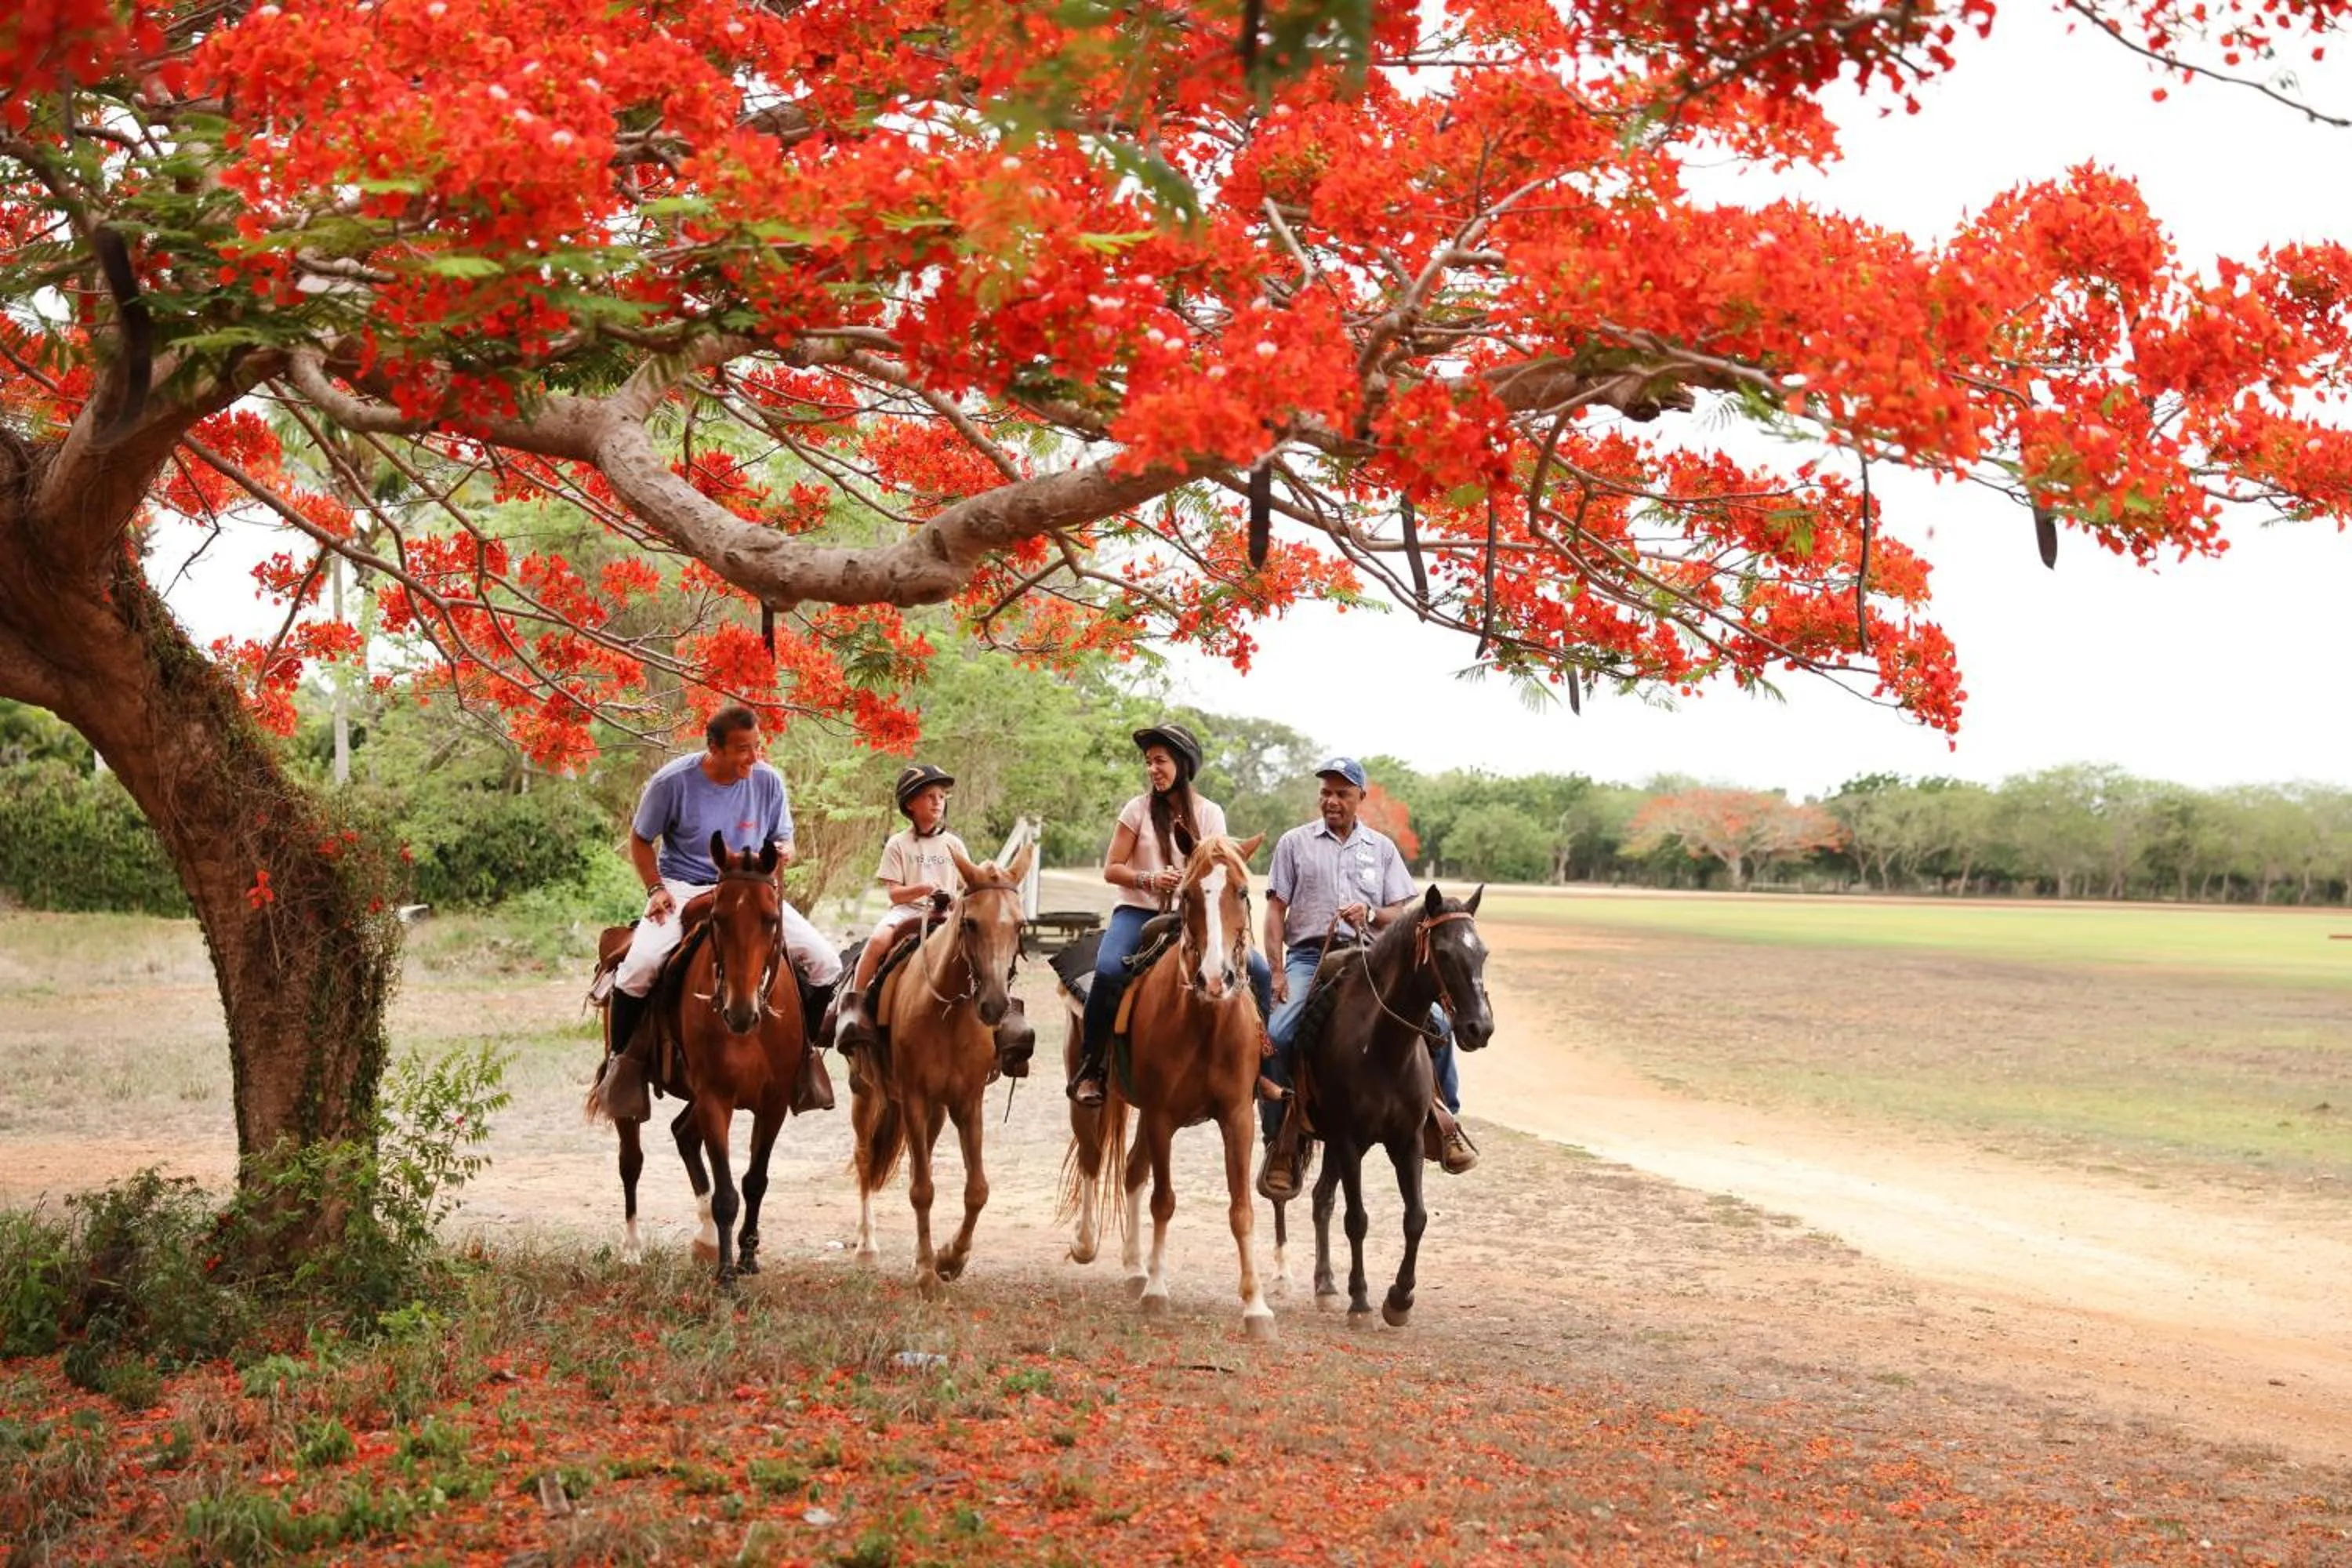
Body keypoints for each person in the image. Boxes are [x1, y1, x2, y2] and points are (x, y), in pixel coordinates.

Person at [596, 706, 842, 1121]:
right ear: (714, 747)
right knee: (637, 967)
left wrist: (786, 853)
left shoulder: (768, 781)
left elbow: (785, 839)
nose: (754, 757)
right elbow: (640, 840)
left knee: (826, 963)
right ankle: (623, 1065)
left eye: (757, 747)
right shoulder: (673, 783)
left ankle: (804, 1058)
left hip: (751, 885)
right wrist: (655, 889)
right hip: (685, 886)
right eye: (743, 749)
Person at [1258, 756, 1476, 1196]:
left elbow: (1402, 911)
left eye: (1341, 793)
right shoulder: (1294, 844)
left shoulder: (1382, 849)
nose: (1331, 800)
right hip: (1309, 957)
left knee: (1437, 1024)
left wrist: (1372, 912)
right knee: (1278, 1032)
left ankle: (1445, 1120)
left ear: (1361, 798)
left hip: (1372, 959)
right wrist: (1278, 972)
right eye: (1325, 792)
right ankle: (1281, 1140)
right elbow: (1276, 910)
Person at [1068, 720, 1274, 1106]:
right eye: (1148, 762)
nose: (1152, 769)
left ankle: (1263, 1069)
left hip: (1192, 918)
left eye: (1160, 760)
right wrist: (1149, 879)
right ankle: (1092, 1069)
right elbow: (1112, 867)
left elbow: (1219, 870)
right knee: (1110, 971)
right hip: (1136, 912)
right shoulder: (1137, 809)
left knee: (1260, 972)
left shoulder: (1210, 814)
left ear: (1182, 763)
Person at [831, 763, 965, 1051]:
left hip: (948, 913)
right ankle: (855, 1004)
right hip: (910, 911)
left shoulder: (954, 844)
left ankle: (999, 1012)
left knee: (981, 945)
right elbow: (895, 895)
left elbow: (968, 884)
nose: (937, 802)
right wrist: (924, 889)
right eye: (930, 796)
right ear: (910, 804)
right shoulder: (898, 844)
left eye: (941, 797)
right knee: (879, 939)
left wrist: (955, 898)